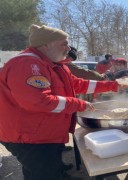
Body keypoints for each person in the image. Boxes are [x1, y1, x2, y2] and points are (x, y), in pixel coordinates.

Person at [0, 24, 121, 180]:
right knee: (42, 174)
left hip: (45, 132)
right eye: (64, 43)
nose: (68, 48)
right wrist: (79, 104)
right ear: (46, 44)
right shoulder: (27, 64)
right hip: (29, 136)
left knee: (48, 168)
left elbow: (78, 84)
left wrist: (114, 86)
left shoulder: (55, 64)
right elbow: (39, 101)